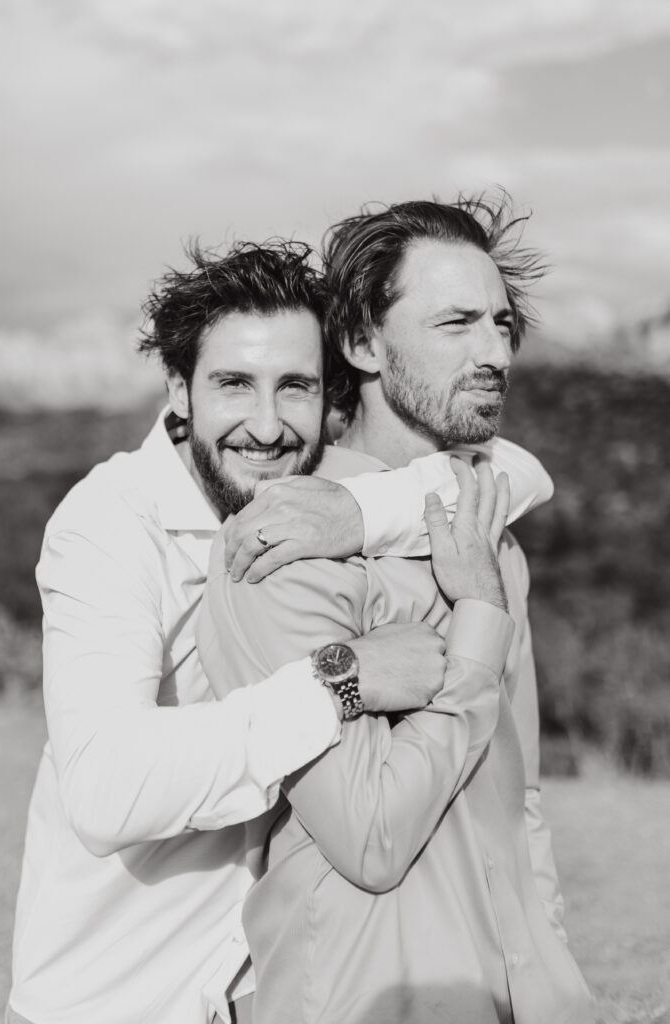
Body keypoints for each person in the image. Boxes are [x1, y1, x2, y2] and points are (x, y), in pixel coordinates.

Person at [9, 241, 552, 1024]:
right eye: (233, 384)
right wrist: (338, 680)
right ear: (178, 389)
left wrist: (366, 511)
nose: (266, 428)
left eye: (293, 387)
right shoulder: (113, 525)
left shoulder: (320, 497)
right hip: (114, 998)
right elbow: (103, 790)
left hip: (261, 989)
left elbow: (517, 472)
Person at [198, 200, 594, 1023]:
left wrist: (555, 984)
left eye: (502, 323)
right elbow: (370, 835)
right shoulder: (282, 551)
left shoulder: (495, 537)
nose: (494, 353)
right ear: (364, 343)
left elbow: (518, 803)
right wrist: (477, 621)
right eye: (455, 323)